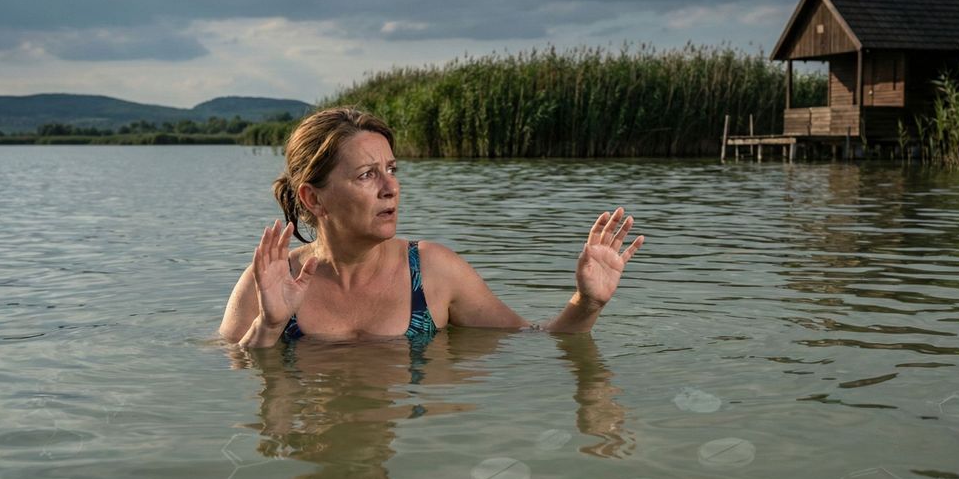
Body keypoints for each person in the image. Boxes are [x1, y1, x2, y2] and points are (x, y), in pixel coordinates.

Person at [219, 107, 644, 348]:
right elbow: (231, 384)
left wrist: (588, 303)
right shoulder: (269, 283)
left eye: (391, 169)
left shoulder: (435, 272)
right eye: (367, 175)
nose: (391, 188)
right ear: (313, 198)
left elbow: (539, 342)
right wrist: (270, 327)